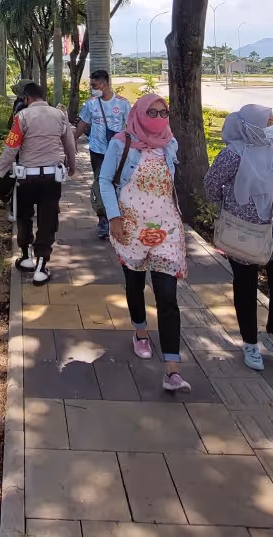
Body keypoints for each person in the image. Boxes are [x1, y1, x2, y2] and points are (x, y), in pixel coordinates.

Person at [98, 93, 190, 393]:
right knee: (135, 284)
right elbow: (105, 180)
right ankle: (140, 332)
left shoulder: (170, 143)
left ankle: (172, 370)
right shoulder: (121, 143)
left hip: (166, 230)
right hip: (131, 228)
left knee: (167, 295)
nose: (159, 118)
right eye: (152, 112)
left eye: (164, 113)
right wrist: (113, 217)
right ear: (139, 112)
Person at [204, 103, 273, 371]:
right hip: (242, 230)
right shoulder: (232, 154)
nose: (271, 128)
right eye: (266, 122)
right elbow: (211, 185)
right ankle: (249, 343)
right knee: (245, 285)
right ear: (250, 125)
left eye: (272, 121)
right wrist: (232, 206)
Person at [0, 81, 77, 284]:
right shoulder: (60, 115)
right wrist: (71, 165)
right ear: (44, 97)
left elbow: (11, 148)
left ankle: (26, 258)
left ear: (26, 98)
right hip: (52, 179)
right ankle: (42, 267)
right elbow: (69, 144)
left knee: (24, 217)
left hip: (26, 178)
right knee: (47, 220)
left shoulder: (21, 116)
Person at [76, 70, 131, 240]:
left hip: (118, 152)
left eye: (94, 85)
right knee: (100, 186)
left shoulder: (123, 103)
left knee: (119, 185)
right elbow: (81, 125)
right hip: (97, 152)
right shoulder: (90, 104)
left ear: (104, 83)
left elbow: (130, 128)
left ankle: (119, 218)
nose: (92, 88)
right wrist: (71, 143)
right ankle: (103, 221)